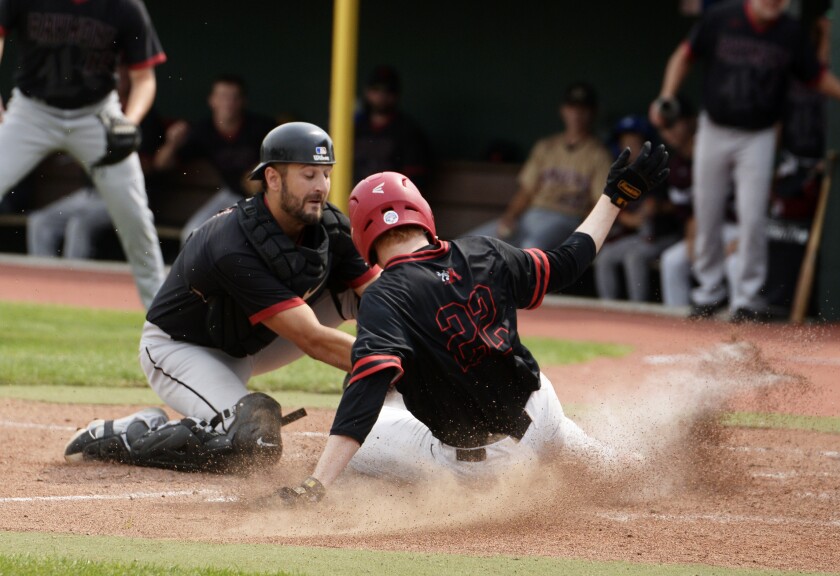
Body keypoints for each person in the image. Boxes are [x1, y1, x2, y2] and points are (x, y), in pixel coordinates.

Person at [271, 142, 669, 504]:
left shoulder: (383, 295)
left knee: (369, 412)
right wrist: (614, 198)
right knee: (551, 427)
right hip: (544, 413)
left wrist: (316, 483)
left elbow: (366, 392)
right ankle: (608, 460)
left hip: (491, 464)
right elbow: (567, 262)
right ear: (422, 212)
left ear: (363, 235)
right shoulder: (484, 252)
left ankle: (339, 482)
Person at [62, 123, 380, 473]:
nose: (321, 186)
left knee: (376, 307)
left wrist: (410, 351)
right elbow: (311, 338)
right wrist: (388, 366)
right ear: (273, 178)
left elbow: (384, 298)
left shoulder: (330, 227)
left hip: (248, 340)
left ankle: (394, 412)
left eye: (326, 174)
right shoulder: (233, 243)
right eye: (308, 175)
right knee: (255, 442)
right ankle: (130, 434)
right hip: (180, 351)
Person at [649, 0, 840, 323]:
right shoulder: (722, 17)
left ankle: (747, 298)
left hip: (759, 134)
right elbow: (684, 55)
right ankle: (708, 292)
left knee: (752, 216)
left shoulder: (789, 32)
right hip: (715, 127)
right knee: (706, 208)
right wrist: (666, 95)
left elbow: (815, 76)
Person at [0, 0, 167, 308]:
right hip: (32, 112)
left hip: (97, 114)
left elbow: (144, 78)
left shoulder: (125, 7)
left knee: (134, 216)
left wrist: (129, 123)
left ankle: (163, 317)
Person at [27, 67, 167, 260]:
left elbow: (153, 166)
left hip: (126, 193)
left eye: (121, 72)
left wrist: (114, 155)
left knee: (79, 224)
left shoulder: (145, 116)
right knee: (40, 222)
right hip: (92, 194)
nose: (116, 77)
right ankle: (43, 278)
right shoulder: (93, 112)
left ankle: (73, 277)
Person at [467, 82, 613, 249]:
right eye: (572, 107)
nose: (577, 114)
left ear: (593, 112)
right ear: (563, 110)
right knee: (471, 242)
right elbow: (526, 191)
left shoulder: (599, 155)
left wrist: (583, 235)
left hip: (566, 219)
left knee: (531, 247)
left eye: (583, 109)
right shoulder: (546, 147)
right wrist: (510, 216)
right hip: (531, 215)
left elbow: (599, 203)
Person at [153, 74, 277, 245]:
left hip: (266, 198)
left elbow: (282, 159)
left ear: (243, 101)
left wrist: (260, 171)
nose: (229, 103)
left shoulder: (261, 127)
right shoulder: (203, 131)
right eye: (223, 96)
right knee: (193, 233)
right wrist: (172, 143)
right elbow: (161, 165)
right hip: (232, 194)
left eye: (234, 97)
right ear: (212, 100)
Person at [655, 96, 740, 309]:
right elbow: (686, 214)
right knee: (672, 261)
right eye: (665, 127)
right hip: (705, 230)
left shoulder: (718, 153)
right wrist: (692, 238)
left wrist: (742, 239)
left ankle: (741, 316)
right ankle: (677, 321)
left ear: (691, 121)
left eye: (675, 123)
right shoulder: (676, 166)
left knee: (735, 263)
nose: (670, 131)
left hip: (735, 228)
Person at [594, 115, 681, 302]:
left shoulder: (660, 167)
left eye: (635, 142)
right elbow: (616, 208)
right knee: (605, 257)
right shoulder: (619, 173)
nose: (630, 146)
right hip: (639, 237)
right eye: (625, 142)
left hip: (665, 235)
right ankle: (607, 308)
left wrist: (658, 207)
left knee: (634, 257)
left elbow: (676, 206)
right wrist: (628, 218)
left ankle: (638, 308)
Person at [353, 65, 431, 189]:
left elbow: (415, 180)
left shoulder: (408, 131)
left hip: (392, 196)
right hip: (354, 194)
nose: (381, 95)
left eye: (388, 91)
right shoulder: (355, 128)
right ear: (367, 92)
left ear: (396, 94)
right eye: (376, 89)